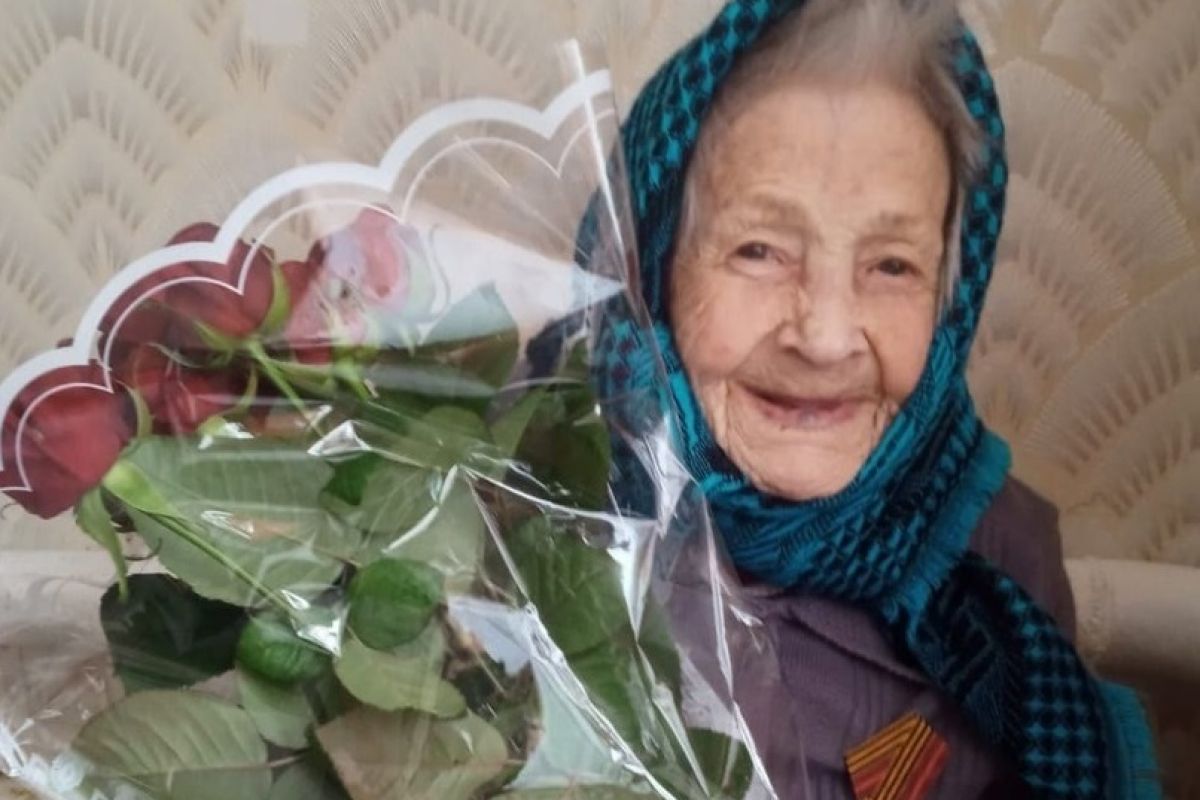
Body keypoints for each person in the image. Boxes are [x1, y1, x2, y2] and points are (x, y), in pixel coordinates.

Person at [589, 0, 1163, 797]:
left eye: (892, 265)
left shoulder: (999, 556)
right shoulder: (548, 519)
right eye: (759, 250)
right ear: (651, 270)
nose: (826, 337)